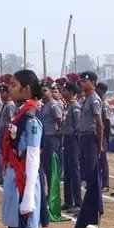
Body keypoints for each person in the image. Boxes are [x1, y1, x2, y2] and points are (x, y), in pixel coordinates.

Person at [0, 70, 44, 228]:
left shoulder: (32, 118)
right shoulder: (20, 114)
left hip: (25, 182)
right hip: (15, 179)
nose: (10, 88)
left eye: (14, 85)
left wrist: (28, 196)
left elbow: (34, 156)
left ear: (27, 89)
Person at [67, 72, 105, 228]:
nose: (81, 83)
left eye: (85, 81)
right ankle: (88, 210)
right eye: (81, 81)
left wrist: (100, 144)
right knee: (86, 174)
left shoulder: (94, 99)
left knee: (91, 175)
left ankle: (92, 210)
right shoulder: (85, 99)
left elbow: (99, 123)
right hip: (83, 137)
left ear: (93, 82)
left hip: (90, 138)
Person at [39, 82, 64, 211]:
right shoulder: (44, 105)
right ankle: (50, 194)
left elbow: (60, 121)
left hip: (52, 138)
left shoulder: (53, 105)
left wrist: (59, 136)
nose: (43, 93)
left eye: (45, 90)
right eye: (42, 90)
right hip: (45, 138)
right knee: (47, 168)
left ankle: (55, 196)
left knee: (53, 168)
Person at [59, 82, 83, 213]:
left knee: (74, 170)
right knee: (67, 171)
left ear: (72, 92)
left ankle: (78, 202)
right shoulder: (68, 106)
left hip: (73, 140)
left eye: (65, 91)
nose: (63, 93)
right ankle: (68, 201)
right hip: (67, 139)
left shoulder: (75, 107)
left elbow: (78, 127)